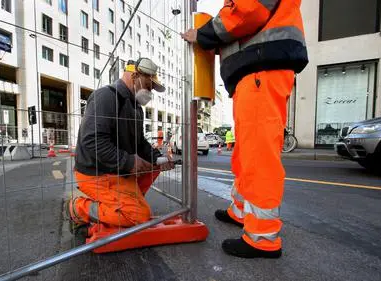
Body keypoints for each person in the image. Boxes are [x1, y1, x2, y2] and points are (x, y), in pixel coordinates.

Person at [182, 0, 308, 258]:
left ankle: (262, 238)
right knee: (247, 153)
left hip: (262, 70)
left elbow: (247, 9)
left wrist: (203, 34)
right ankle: (241, 211)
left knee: (259, 156)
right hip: (256, 71)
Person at [66, 58, 175, 235]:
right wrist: (128, 161)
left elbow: (139, 143)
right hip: (96, 172)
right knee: (140, 217)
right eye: (149, 85)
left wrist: (157, 158)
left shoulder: (136, 107)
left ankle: (125, 202)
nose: (150, 91)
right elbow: (92, 140)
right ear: (135, 75)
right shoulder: (106, 97)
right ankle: (79, 208)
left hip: (115, 170)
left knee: (154, 166)